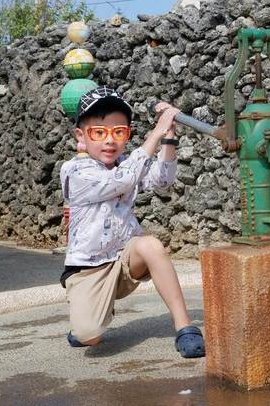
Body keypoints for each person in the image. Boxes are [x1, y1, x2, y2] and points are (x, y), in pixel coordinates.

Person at [59, 85, 205, 358]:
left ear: (127, 135)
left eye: (119, 132)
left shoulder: (128, 163)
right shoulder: (75, 170)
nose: (109, 141)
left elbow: (161, 179)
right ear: (81, 136)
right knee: (89, 337)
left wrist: (168, 137)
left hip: (125, 262)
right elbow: (121, 180)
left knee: (151, 245)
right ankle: (89, 317)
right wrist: (156, 132)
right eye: (99, 133)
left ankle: (185, 327)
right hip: (88, 271)